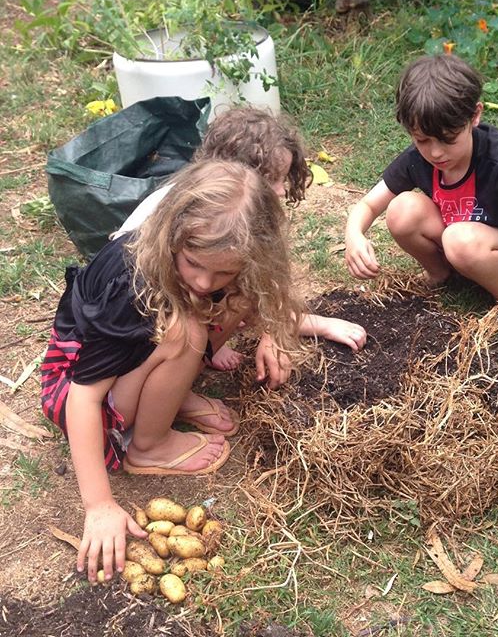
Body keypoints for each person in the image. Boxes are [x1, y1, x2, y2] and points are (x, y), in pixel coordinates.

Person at [41, 160, 304, 582]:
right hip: (77, 389)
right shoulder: (133, 284)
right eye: (194, 263)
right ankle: (148, 443)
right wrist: (99, 506)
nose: (204, 282)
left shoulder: (217, 268)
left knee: (237, 298)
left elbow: (265, 294)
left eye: (222, 270)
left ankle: (168, 393)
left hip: (125, 367)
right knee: (184, 330)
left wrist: (273, 333)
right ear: (173, 236)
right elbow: (82, 395)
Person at [344, 54, 498, 356]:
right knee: (402, 209)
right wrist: (354, 233)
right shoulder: (420, 158)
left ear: (475, 116)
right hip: (461, 241)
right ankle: (441, 274)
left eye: (448, 139)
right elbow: (368, 204)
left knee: (459, 239)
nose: (435, 152)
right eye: (422, 140)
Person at [114, 106, 366, 379]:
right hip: (144, 318)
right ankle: (178, 380)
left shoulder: (232, 213)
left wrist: (273, 333)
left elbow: (264, 280)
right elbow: (163, 289)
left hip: (185, 293)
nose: (282, 190)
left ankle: (204, 351)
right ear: (239, 177)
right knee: (235, 294)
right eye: (273, 179)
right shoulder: (196, 214)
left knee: (244, 284)